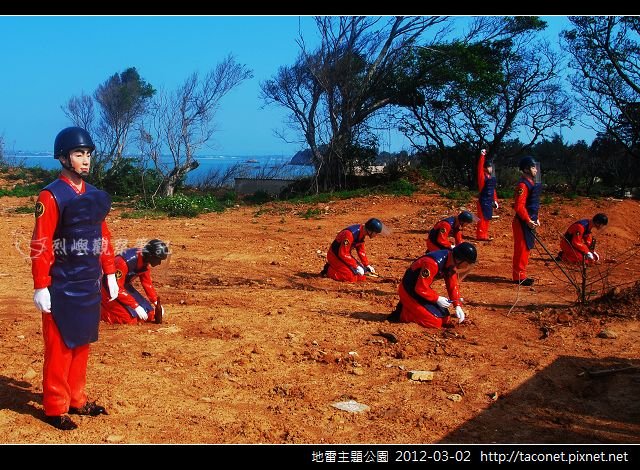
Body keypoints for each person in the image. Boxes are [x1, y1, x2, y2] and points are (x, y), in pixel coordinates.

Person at [30, 127, 118, 430]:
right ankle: (55, 406)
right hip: (61, 284)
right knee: (60, 346)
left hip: (88, 282)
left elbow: (102, 237)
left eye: (88, 154)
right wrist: (41, 285)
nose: (86, 160)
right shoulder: (51, 195)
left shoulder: (93, 195)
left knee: (82, 343)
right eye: (79, 154)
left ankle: (76, 399)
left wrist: (110, 273)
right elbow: (41, 242)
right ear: (64, 158)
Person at [388, 242, 477, 329]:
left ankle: (412, 309)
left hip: (421, 291)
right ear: (460, 259)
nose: (466, 267)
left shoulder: (451, 262)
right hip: (409, 290)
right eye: (467, 264)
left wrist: (457, 305)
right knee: (435, 321)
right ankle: (402, 314)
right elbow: (420, 288)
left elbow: (452, 285)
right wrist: (437, 298)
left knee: (445, 318)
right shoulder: (432, 263)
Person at [101, 239, 168, 324]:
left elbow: (147, 283)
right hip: (109, 289)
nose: (159, 263)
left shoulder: (144, 262)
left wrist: (155, 302)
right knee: (129, 319)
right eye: (158, 260)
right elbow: (116, 288)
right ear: (151, 255)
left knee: (150, 314)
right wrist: (135, 306)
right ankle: (100, 311)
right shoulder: (124, 262)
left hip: (124, 287)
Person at [321, 218, 386, 282]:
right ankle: (328, 270)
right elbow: (343, 253)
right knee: (349, 277)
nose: (376, 235)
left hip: (344, 256)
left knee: (361, 276)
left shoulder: (362, 233)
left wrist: (366, 265)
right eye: (376, 233)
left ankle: (338, 268)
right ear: (371, 230)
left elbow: (361, 250)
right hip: (335, 256)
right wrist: (356, 266)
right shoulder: (350, 234)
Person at [512, 156, 542, 286]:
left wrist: (536, 218)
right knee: (521, 249)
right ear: (526, 169)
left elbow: (532, 204)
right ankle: (519, 276)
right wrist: (528, 219)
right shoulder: (523, 185)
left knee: (526, 248)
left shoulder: (531, 184)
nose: (536, 170)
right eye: (533, 167)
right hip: (522, 222)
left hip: (529, 221)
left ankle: (521, 273)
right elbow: (519, 206)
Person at [475, 149, 499, 241]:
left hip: (489, 200)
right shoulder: (482, 177)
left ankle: (484, 234)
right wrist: (482, 156)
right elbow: (479, 168)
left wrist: (495, 200)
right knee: (482, 218)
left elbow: (493, 190)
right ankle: (480, 235)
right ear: (485, 168)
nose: (491, 169)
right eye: (489, 167)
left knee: (487, 218)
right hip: (483, 200)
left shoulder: (491, 178)